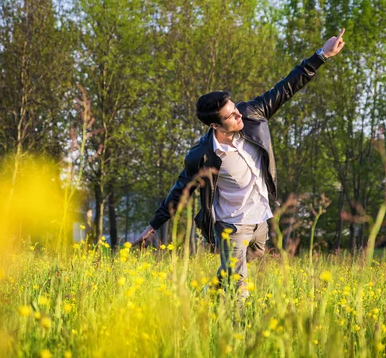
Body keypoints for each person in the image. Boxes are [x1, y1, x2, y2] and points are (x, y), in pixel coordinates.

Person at [132, 29, 346, 298]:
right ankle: (238, 330)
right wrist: (153, 225)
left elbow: (287, 86)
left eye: (235, 109)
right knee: (239, 285)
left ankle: (207, 294)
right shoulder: (202, 156)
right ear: (214, 125)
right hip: (231, 225)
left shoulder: (252, 113)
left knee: (249, 258)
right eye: (231, 116)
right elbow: (180, 191)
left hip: (261, 220)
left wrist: (322, 55)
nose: (238, 115)